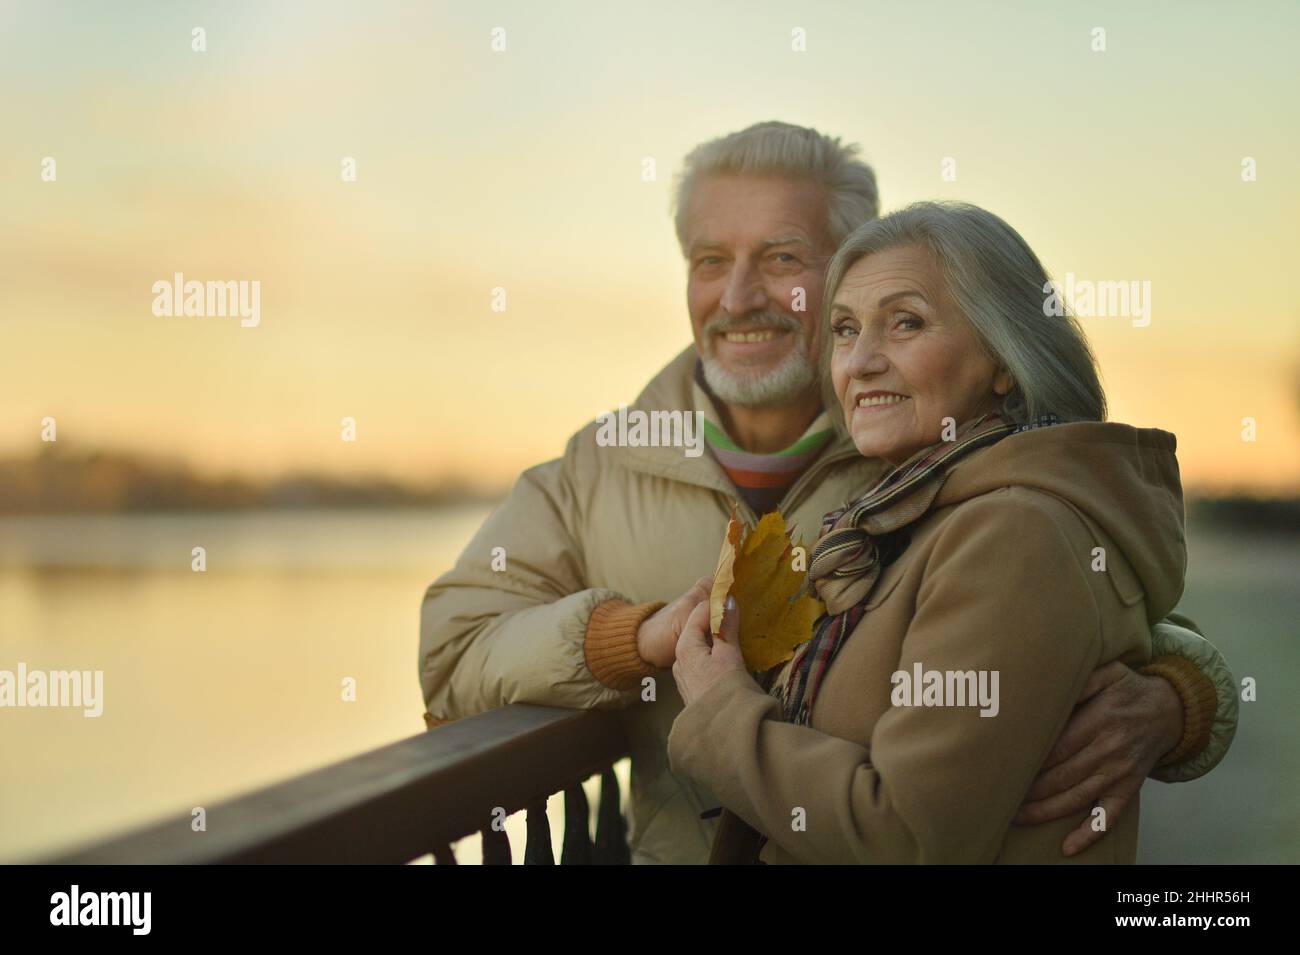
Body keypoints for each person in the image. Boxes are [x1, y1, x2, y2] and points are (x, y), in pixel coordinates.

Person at [420, 123, 1236, 864]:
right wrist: (634, 639)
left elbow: (1074, 599)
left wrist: (1180, 696)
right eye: (710, 260)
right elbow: (453, 651)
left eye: (781, 258)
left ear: (855, 258)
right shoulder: (600, 464)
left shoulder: (923, 453)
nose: (738, 297)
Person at [668, 201, 1229, 863]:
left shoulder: (1011, 533)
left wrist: (719, 709)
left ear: (1003, 358)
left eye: (906, 322)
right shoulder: (900, 515)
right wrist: (1184, 691)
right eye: (846, 330)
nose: (862, 361)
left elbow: (908, 836)